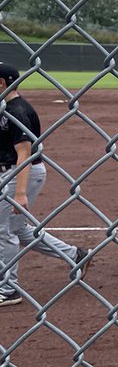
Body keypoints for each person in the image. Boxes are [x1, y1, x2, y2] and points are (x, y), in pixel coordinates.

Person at [0, 62, 91, 308]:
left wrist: (20, 193)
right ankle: (75, 254)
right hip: (12, 173)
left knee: (4, 230)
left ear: (2, 83)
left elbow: (24, 154)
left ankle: (8, 289)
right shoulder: (5, 107)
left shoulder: (17, 111)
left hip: (21, 173)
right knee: (17, 230)